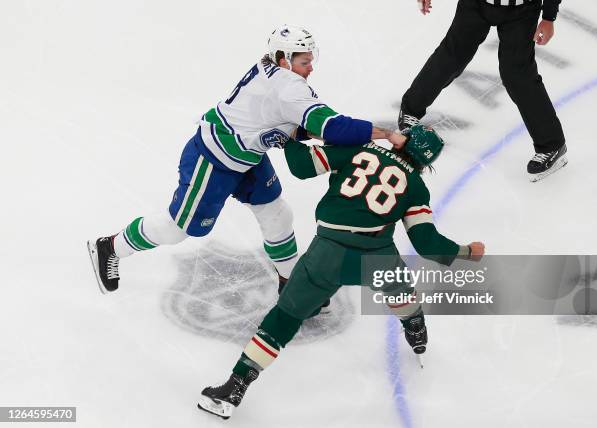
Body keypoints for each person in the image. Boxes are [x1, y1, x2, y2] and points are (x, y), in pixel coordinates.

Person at [86, 25, 406, 295]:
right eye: (305, 61)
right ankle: (110, 247)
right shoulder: (287, 87)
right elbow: (332, 127)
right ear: (284, 59)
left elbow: (298, 124)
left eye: (312, 59)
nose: (311, 67)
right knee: (177, 230)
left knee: (277, 213)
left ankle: (289, 282)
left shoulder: (275, 73)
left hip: (246, 154)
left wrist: (306, 133)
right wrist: (387, 135)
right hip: (213, 159)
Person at [196, 125, 486, 420]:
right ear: (426, 162)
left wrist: (289, 140)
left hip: (327, 254)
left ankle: (236, 385)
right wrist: (465, 252)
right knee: (399, 288)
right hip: (376, 256)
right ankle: (415, 327)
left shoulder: (362, 149)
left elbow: (302, 166)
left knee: (284, 317)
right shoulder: (416, 187)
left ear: (402, 141)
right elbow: (427, 244)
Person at [399, 0, 566, 182]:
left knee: (517, 74)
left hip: (522, 10)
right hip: (476, 4)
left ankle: (552, 145)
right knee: (451, 56)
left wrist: (549, 16)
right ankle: (410, 110)